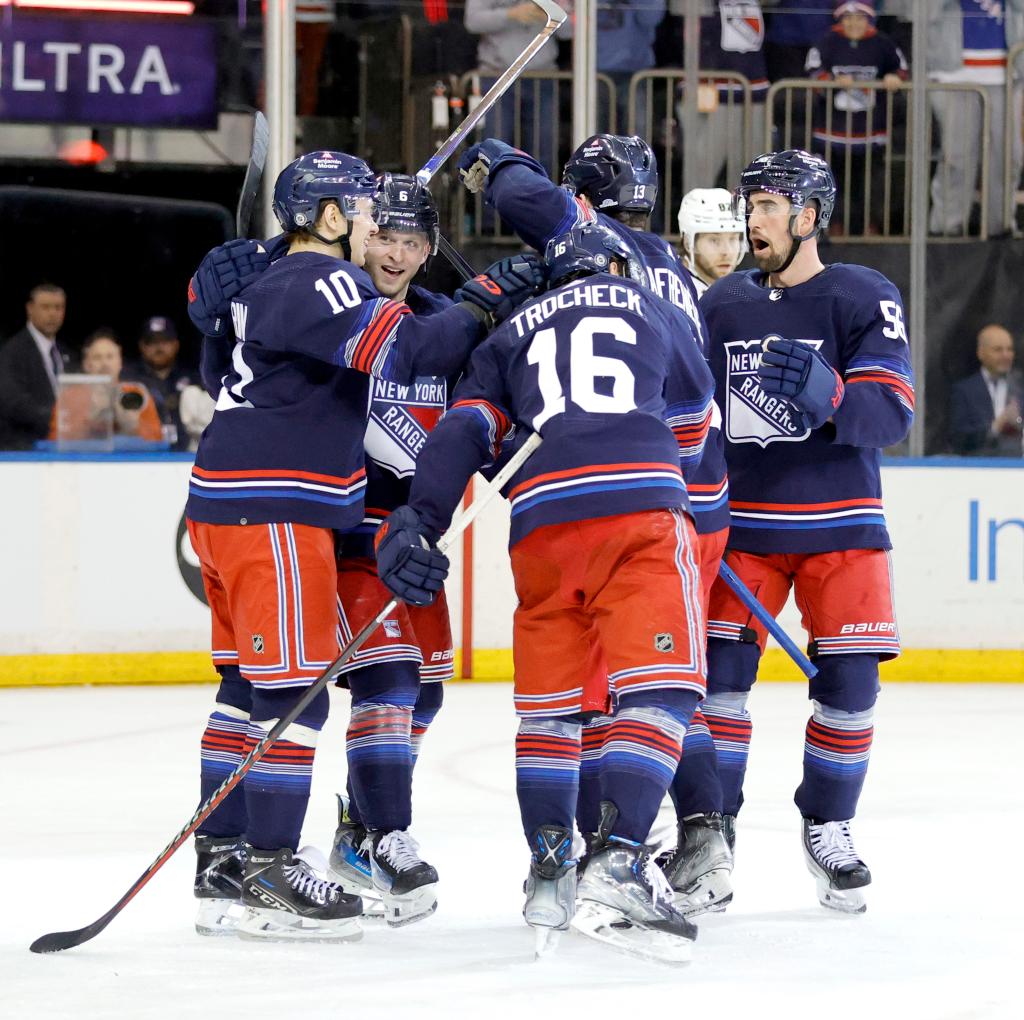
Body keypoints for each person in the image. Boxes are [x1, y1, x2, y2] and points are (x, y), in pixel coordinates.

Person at [184, 149, 544, 942]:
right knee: (293, 692)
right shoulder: (320, 280)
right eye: (361, 208)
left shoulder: (280, 277)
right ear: (328, 217)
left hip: (234, 504)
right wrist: (489, 296)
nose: (376, 223)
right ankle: (269, 866)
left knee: (248, 691)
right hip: (274, 507)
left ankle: (221, 859)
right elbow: (409, 350)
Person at [374, 221, 715, 963]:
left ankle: (551, 871)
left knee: (554, 711)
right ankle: (620, 860)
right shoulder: (654, 303)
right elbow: (692, 421)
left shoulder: (507, 337)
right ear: (617, 264)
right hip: (638, 506)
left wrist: (420, 520)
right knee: (664, 690)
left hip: (541, 525)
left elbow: (463, 432)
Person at [458, 132, 735, 912]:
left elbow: (517, 194)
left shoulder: (592, 239)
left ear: (581, 196)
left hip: (624, 497)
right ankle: (705, 836)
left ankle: (594, 854)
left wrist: (495, 156)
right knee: (666, 676)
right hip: (693, 492)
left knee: (590, 689)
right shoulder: (670, 271)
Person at [697, 149, 914, 914]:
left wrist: (830, 394)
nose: (750, 220)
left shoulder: (863, 294)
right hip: (742, 535)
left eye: (766, 206)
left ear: (809, 216)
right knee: (717, 691)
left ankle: (829, 824)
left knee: (851, 693)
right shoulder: (720, 306)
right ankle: (709, 835)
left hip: (843, 527)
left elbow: (890, 416)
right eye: (747, 206)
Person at [886, 0, 1024, 236]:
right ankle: (947, 230)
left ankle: (1000, 228)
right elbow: (913, 11)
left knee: (1008, 157)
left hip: (1008, 70)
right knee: (957, 156)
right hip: (951, 70)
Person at [804, 1, 908, 235]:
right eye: (848, 18)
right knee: (832, 183)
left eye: (860, 17)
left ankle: (869, 228)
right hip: (833, 133)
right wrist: (829, 80)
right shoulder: (827, 42)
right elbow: (812, 70)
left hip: (870, 133)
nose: (854, 23)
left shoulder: (883, 43)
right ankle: (833, 228)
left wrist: (893, 78)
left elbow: (901, 68)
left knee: (870, 185)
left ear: (869, 19)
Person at [463, 0, 574, 173]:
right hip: (497, 77)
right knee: (494, 152)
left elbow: (570, 30)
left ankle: (542, 199)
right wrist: (510, 14)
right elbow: (472, 21)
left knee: (544, 152)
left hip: (543, 77)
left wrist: (549, 13)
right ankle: (494, 199)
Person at [670, 0, 770, 190]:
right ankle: (696, 217)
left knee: (750, 169)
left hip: (752, 92)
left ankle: (745, 218)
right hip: (710, 90)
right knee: (702, 167)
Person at [51, 329, 163, 443]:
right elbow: (55, 440)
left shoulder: (136, 394)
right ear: (86, 364)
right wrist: (90, 421)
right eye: (97, 357)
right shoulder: (70, 397)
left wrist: (133, 427)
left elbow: (157, 440)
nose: (104, 363)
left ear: (120, 362)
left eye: (110, 357)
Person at [0, 283, 72, 450]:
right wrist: (55, 418)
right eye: (45, 307)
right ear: (30, 309)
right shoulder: (12, 352)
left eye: (58, 307)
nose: (53, 313)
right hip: (24, 449)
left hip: (62, 446)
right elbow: (13, 402)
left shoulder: (65, 353)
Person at [949, 323, 1024, 456]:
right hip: (978, 469)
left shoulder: (1020, 387)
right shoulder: (965, 391)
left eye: (1009, 349)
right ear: (981, 353)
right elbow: (957, 439)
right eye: (998, 350)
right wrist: (995, 427)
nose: (1006, 355)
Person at [122, 316, 196, 449]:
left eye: (165, 341)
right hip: (143, 453)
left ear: (176, 345)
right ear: (142, 346)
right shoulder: (130, 378)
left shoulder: (193, 376)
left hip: (190, 452)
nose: (159, 347)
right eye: (152, 342)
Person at [677, 187, 747, 296]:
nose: (727, 252)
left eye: (733, 239)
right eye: (714, 240)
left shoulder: (743, 291)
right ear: (688, 243)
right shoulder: (671, 293)